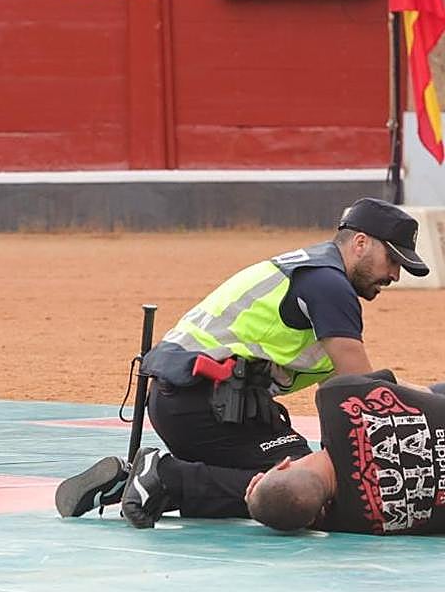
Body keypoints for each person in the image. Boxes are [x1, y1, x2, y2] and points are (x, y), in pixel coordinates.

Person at [55, 197, 431, 527]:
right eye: (392, 260)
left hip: (190, 403)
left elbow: (341, 392)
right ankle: (165, 478)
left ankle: (134, 483)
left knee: (298, 472)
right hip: (206, 407)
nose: (395, 275)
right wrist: (431, 405)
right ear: (360, 243)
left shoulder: (309, 272)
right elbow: (362, 393)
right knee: (309, 488)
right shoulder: (329, 284)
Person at [247, 374, 445, 534]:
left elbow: (303, 517)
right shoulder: (335, 397)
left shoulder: (352, 522)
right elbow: (404, 386)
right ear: (284, 464)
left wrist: (263, 506)